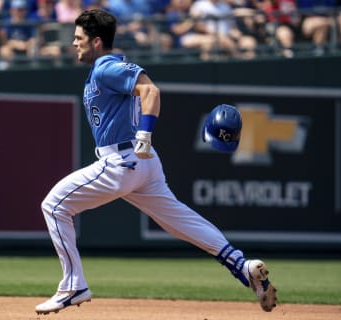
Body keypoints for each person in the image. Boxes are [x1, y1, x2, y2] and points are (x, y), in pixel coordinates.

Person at [34, 8, 277, 316]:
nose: (74, 43)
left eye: (79, 37)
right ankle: (241, 266)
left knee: (54, 206)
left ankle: (73, 285)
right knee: (178, 220)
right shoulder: (106, 68)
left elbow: (150, 90)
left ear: (96, 41)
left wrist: (144, 134)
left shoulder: (105, 67)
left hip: (121, 161)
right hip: (141, 164)